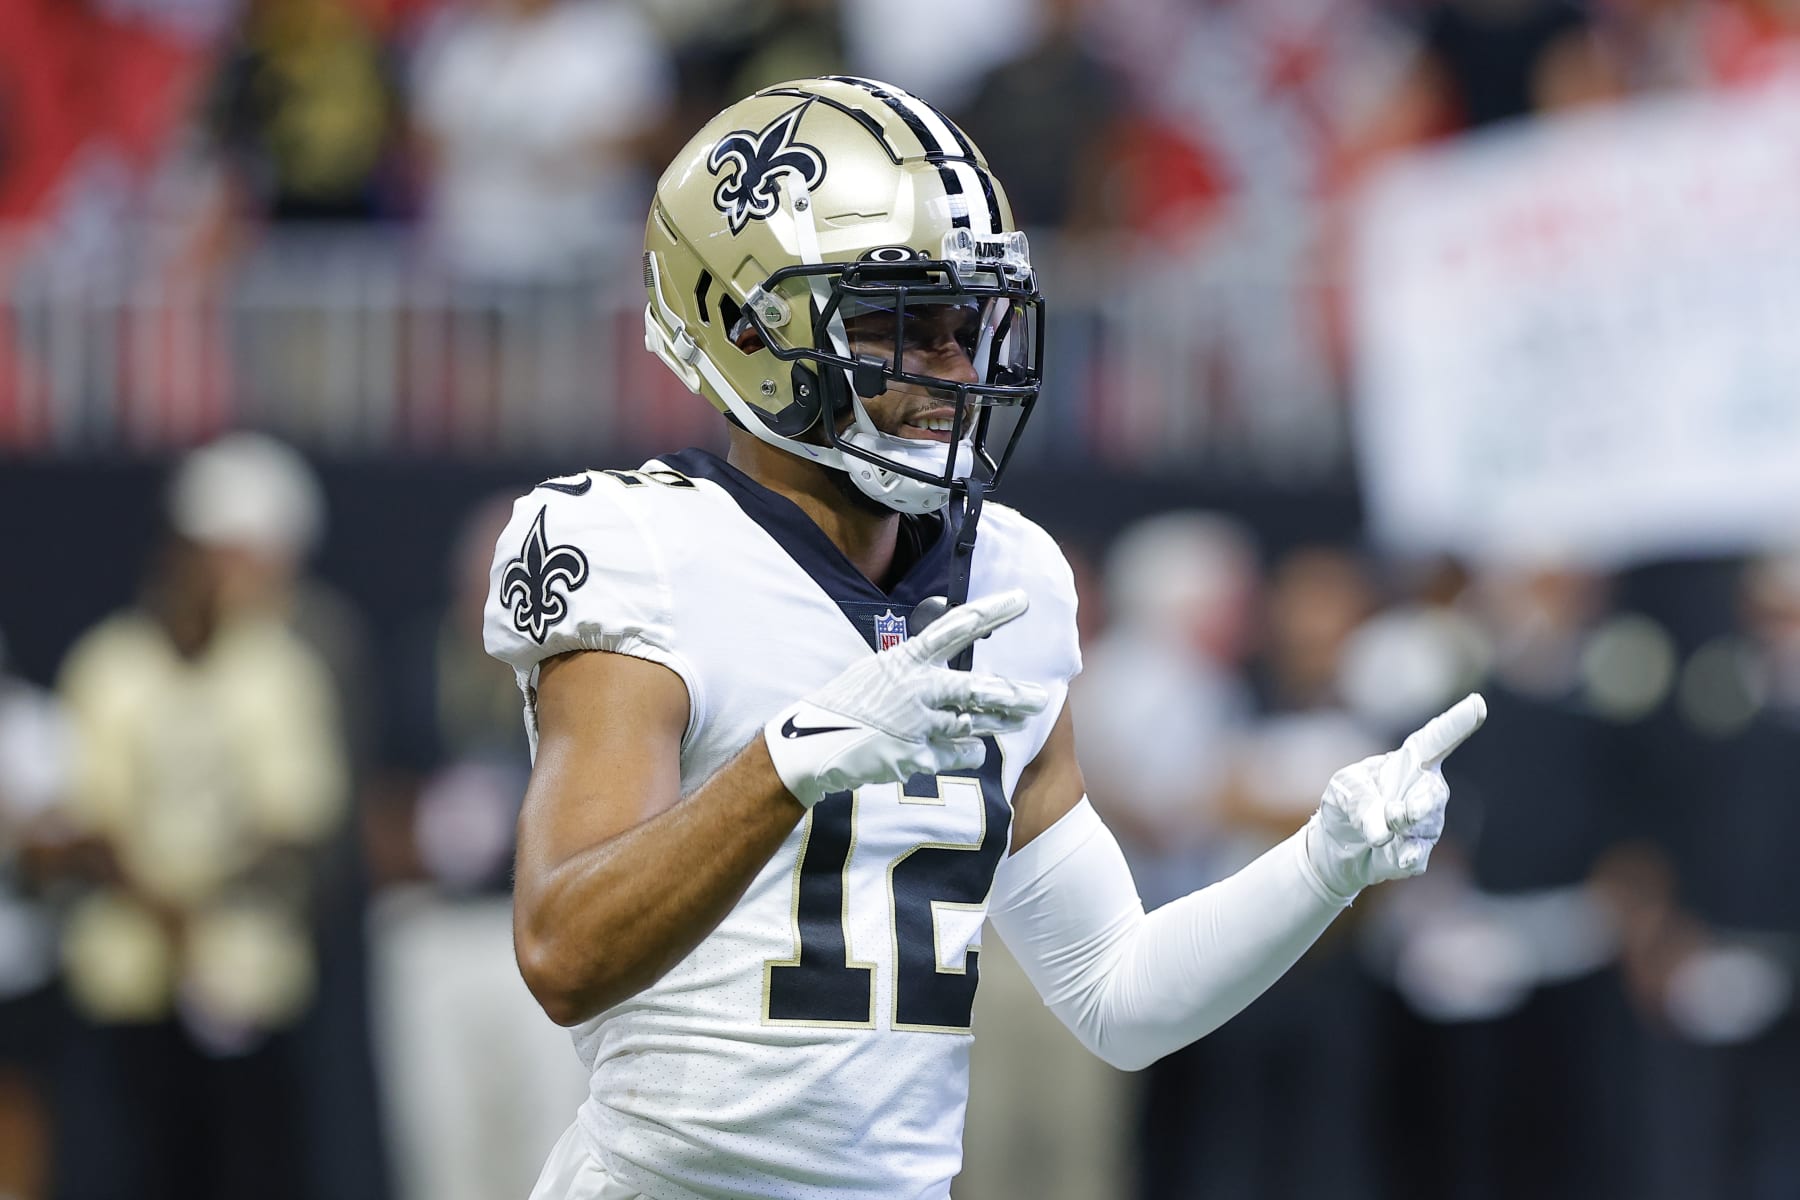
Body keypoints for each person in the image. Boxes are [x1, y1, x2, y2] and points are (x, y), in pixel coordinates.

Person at [484, 76, 1488, 1200]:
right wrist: (788, 763)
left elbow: (1120, 995)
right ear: (742, 320)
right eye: (900, 325)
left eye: (967, 328)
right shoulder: (637, 544)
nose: (953, 373)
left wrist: (1320, 865)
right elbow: (565, 954)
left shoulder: (1010, 579)